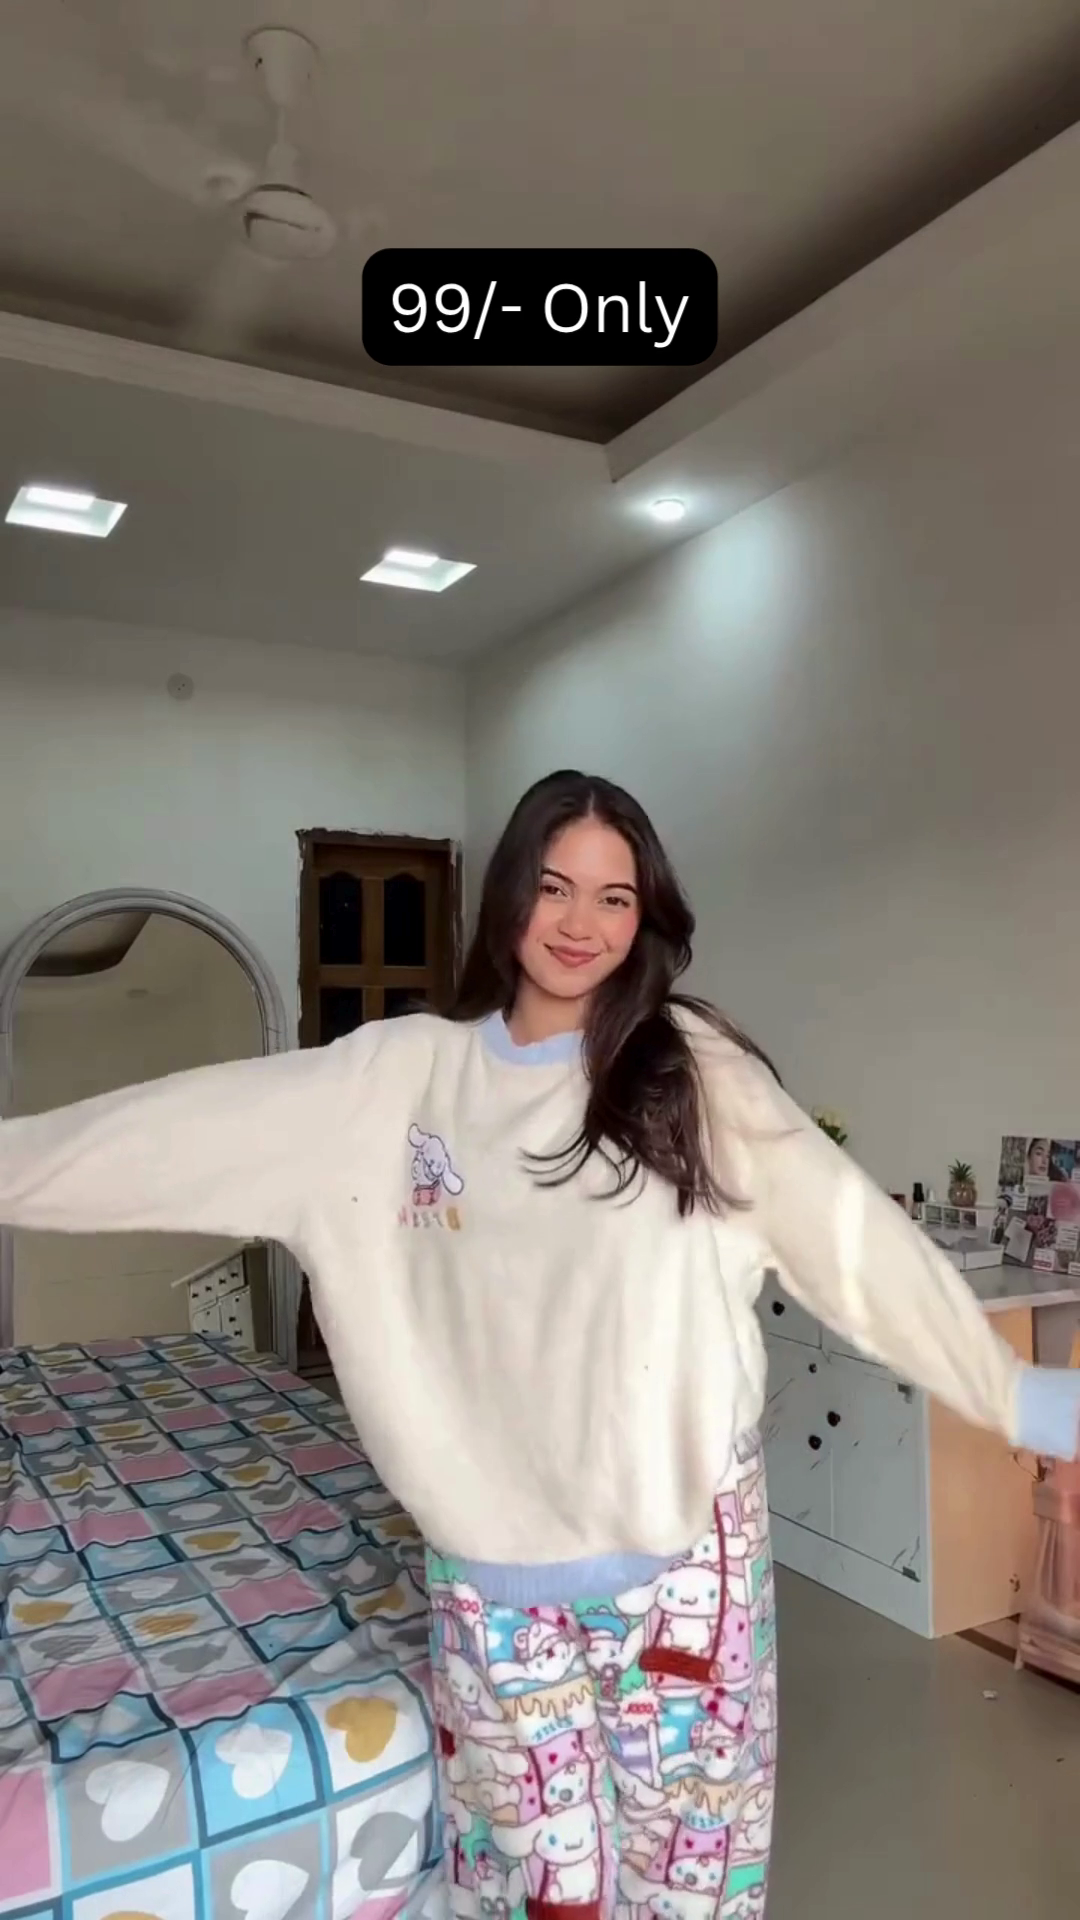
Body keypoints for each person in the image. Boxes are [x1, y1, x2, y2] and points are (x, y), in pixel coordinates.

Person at [1, 769, 1078, 1920]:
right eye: (556, 887)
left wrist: (1017, 1395)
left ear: (644, 916)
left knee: (689, 1889)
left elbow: (849, 1238)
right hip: (491, 1583)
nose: (580, 924)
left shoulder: (691, 1070)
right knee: (535, 1890)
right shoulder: (400, 1080)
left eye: (615, 898)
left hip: (683, 1571)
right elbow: (173, 1132)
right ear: (510, 892)